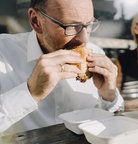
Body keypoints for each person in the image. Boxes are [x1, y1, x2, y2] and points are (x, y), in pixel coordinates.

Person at [0, 0, 124, 135]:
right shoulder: (4, 51)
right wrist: (30, 92)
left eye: (88, 25)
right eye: (71, 26)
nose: (84, 39)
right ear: (36, 21)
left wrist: (109, 96)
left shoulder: (96, 53)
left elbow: (113, 120)